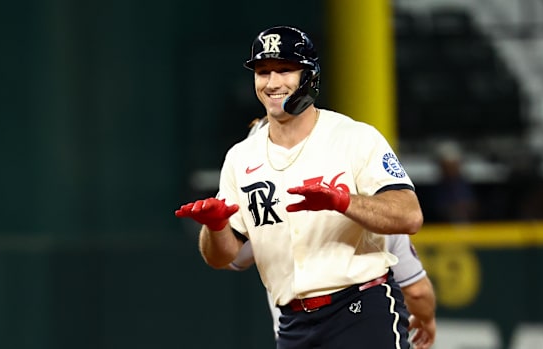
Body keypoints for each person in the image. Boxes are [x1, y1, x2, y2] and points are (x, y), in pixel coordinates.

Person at [175, 25, 424, 349]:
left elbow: (410, 215)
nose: (273, 82)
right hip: (293, 324)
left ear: (309, 76)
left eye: (285, 70)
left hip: (361, 308)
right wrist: (215, 226)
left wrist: (343, 201)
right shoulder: (240, 157)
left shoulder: (354, 137)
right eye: (263, 72)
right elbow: (222, 257)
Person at [228, 234, 437, 349]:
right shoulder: (377, 208)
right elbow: (418, 293)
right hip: (360, 330)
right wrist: (425, 317)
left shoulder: (272, 213)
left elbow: (229, 257)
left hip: (294, 333)